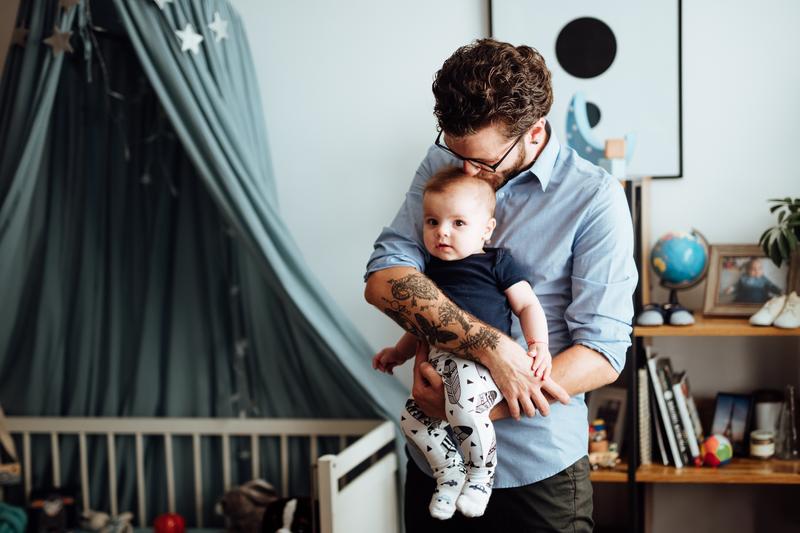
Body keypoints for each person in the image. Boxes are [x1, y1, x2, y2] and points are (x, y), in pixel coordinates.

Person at [364, 38, 637, 531]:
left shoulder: (596, 199)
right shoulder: (442, 164)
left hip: (538, 470)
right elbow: (385, 279)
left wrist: (474, 405)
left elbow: (603, 353)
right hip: (435, 465)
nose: (466, 172)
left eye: (484, 163)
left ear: (534, 133)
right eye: (456, 151)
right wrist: (490, 348)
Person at [372, 167, 553, 520]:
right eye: (432, 221)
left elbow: (528, 304)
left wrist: (538, 343)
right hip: (437, 364)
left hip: (483, 368)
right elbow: (423, 325)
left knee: (464, 408)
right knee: (412, 421)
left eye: (458, 223)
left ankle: (481, 476)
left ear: (486, 229)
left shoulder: (496, 262)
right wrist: (398, 352)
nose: (442, 232)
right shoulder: (427, 271)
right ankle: (450, 471)